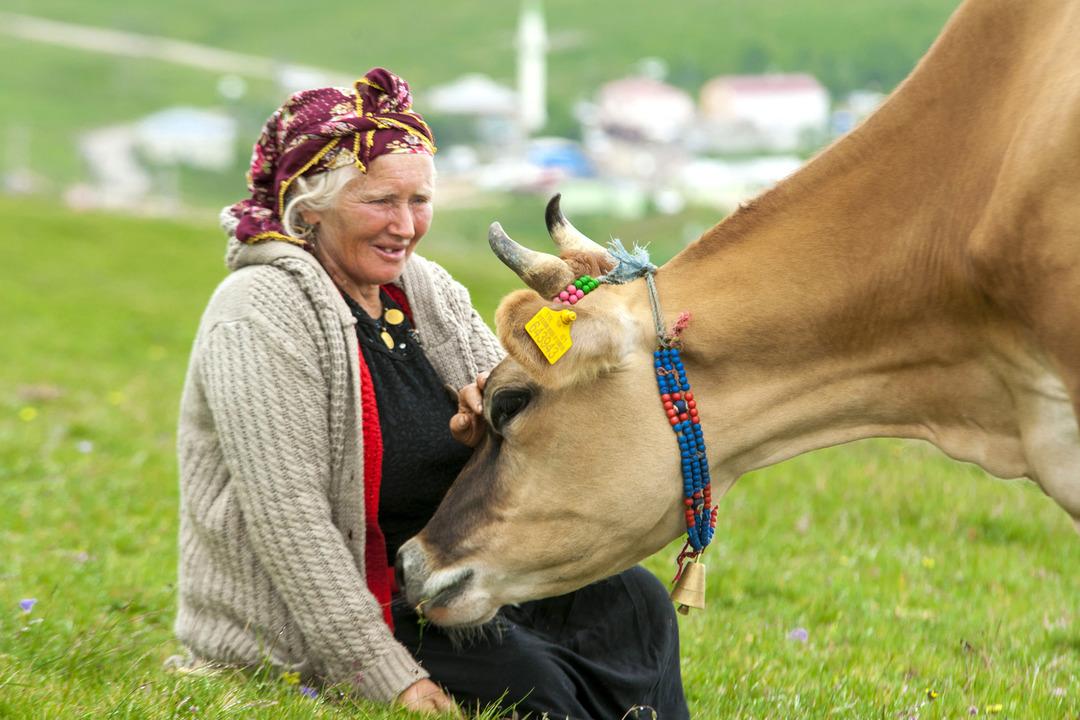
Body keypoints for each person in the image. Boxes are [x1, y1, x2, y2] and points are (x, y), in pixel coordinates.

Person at [174, 67, 688, 719]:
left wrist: (485, 428)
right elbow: (290, 524)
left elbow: (511, 421)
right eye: (381, 202)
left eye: (420, 200)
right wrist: (389, 677)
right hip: (332, 614)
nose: (405, 224)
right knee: (530, 684)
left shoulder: (427, 291)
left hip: (438, 570)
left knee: (634, 606)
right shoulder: (258, 313)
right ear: (312, 205)